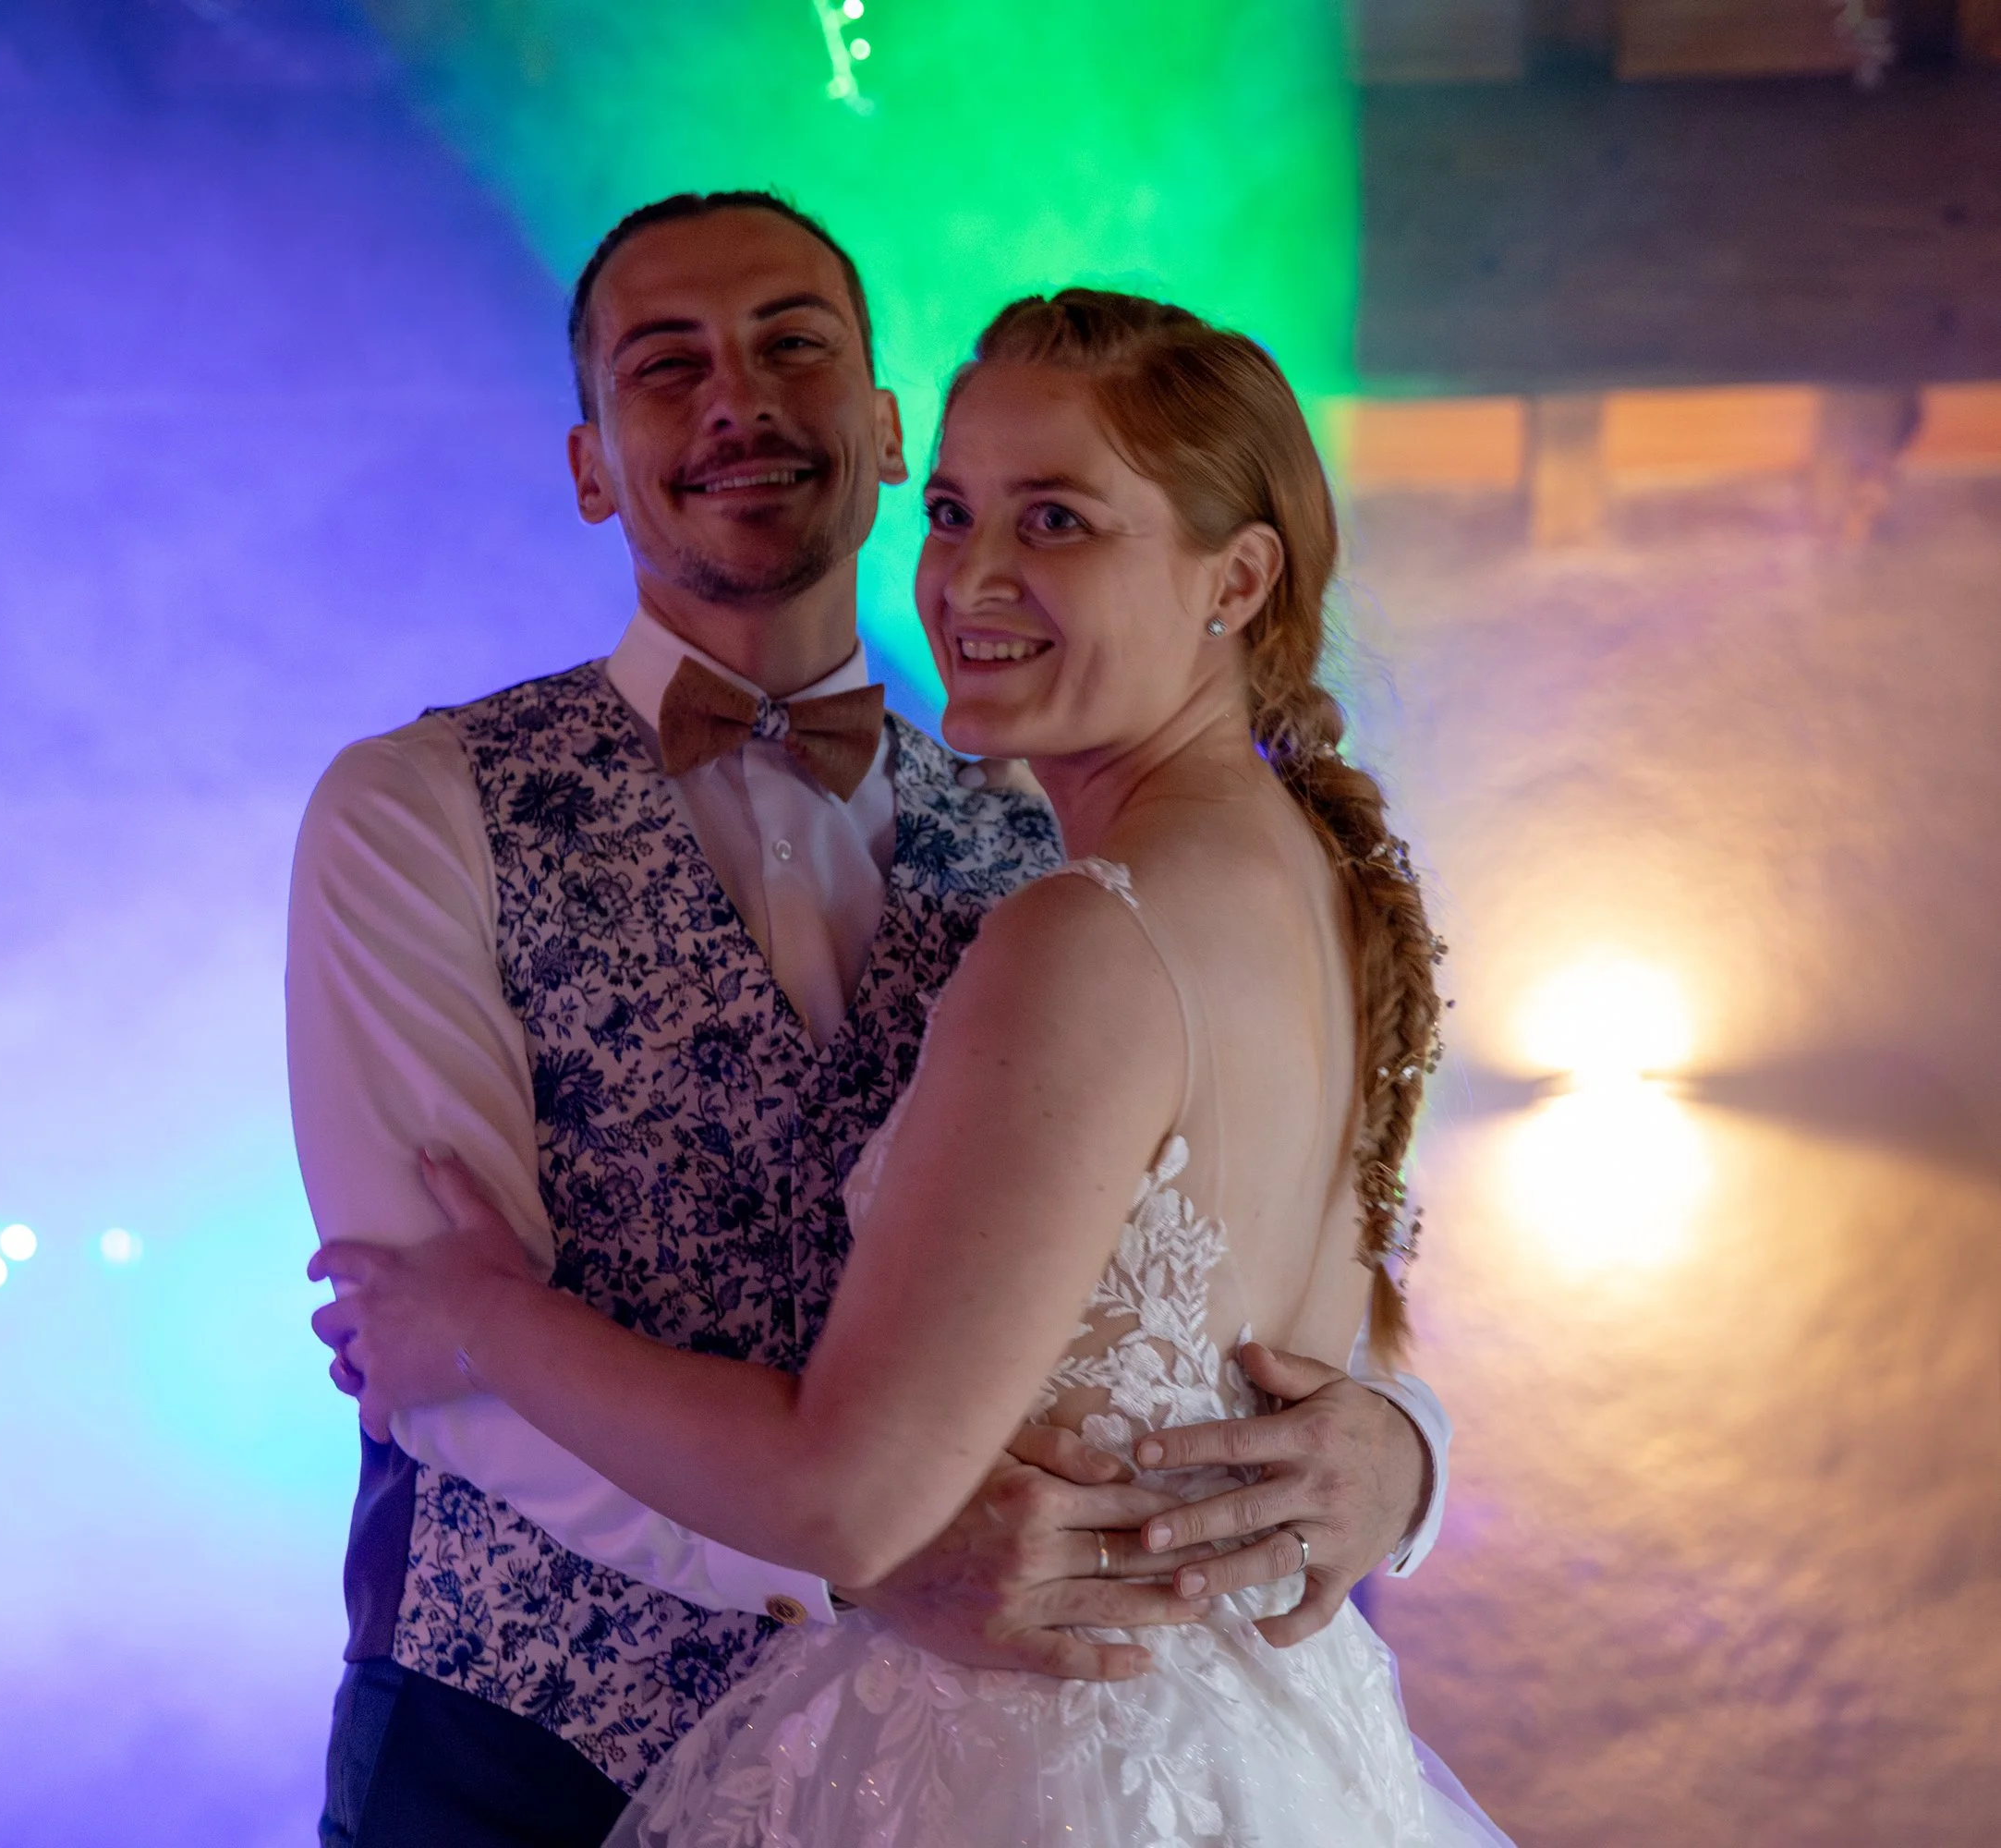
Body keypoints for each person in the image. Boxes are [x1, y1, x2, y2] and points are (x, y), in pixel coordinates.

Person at [288, 196, 1453, 1847]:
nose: (735, 402)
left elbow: (1246, 1270)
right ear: (590, 465)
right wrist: (876, 1568)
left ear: (882, 427)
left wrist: (1403, 1454)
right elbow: (430, 1332)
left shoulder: (1062, 831)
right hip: (518, 1750)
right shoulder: (415, 810)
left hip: (1007, 1745)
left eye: (793, 347)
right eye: (664, 366)